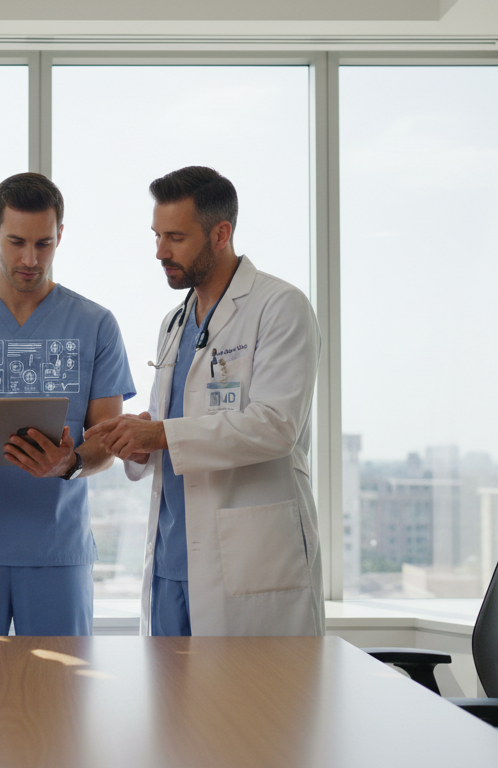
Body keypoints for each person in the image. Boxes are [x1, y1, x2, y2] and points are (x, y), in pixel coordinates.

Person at [85, 167, 323, 637]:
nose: (160, 252)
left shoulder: (279, 306)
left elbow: (276, 425)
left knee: (253, 706)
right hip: (172, 558)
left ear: (221, 233)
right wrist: (136, 441)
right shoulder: (174, 323)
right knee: (170, 707)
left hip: (248, 562)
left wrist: (160, 434)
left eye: (175, 237)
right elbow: (173, 429)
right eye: (156, 236)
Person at [0, 173, 136, 636]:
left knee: (60, 700)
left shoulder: (96, 324)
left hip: (58, 553)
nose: (30, 259)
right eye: (16, 242)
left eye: (44, 243)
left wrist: (69, 463)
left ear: (60, 237)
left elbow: (107, 442)